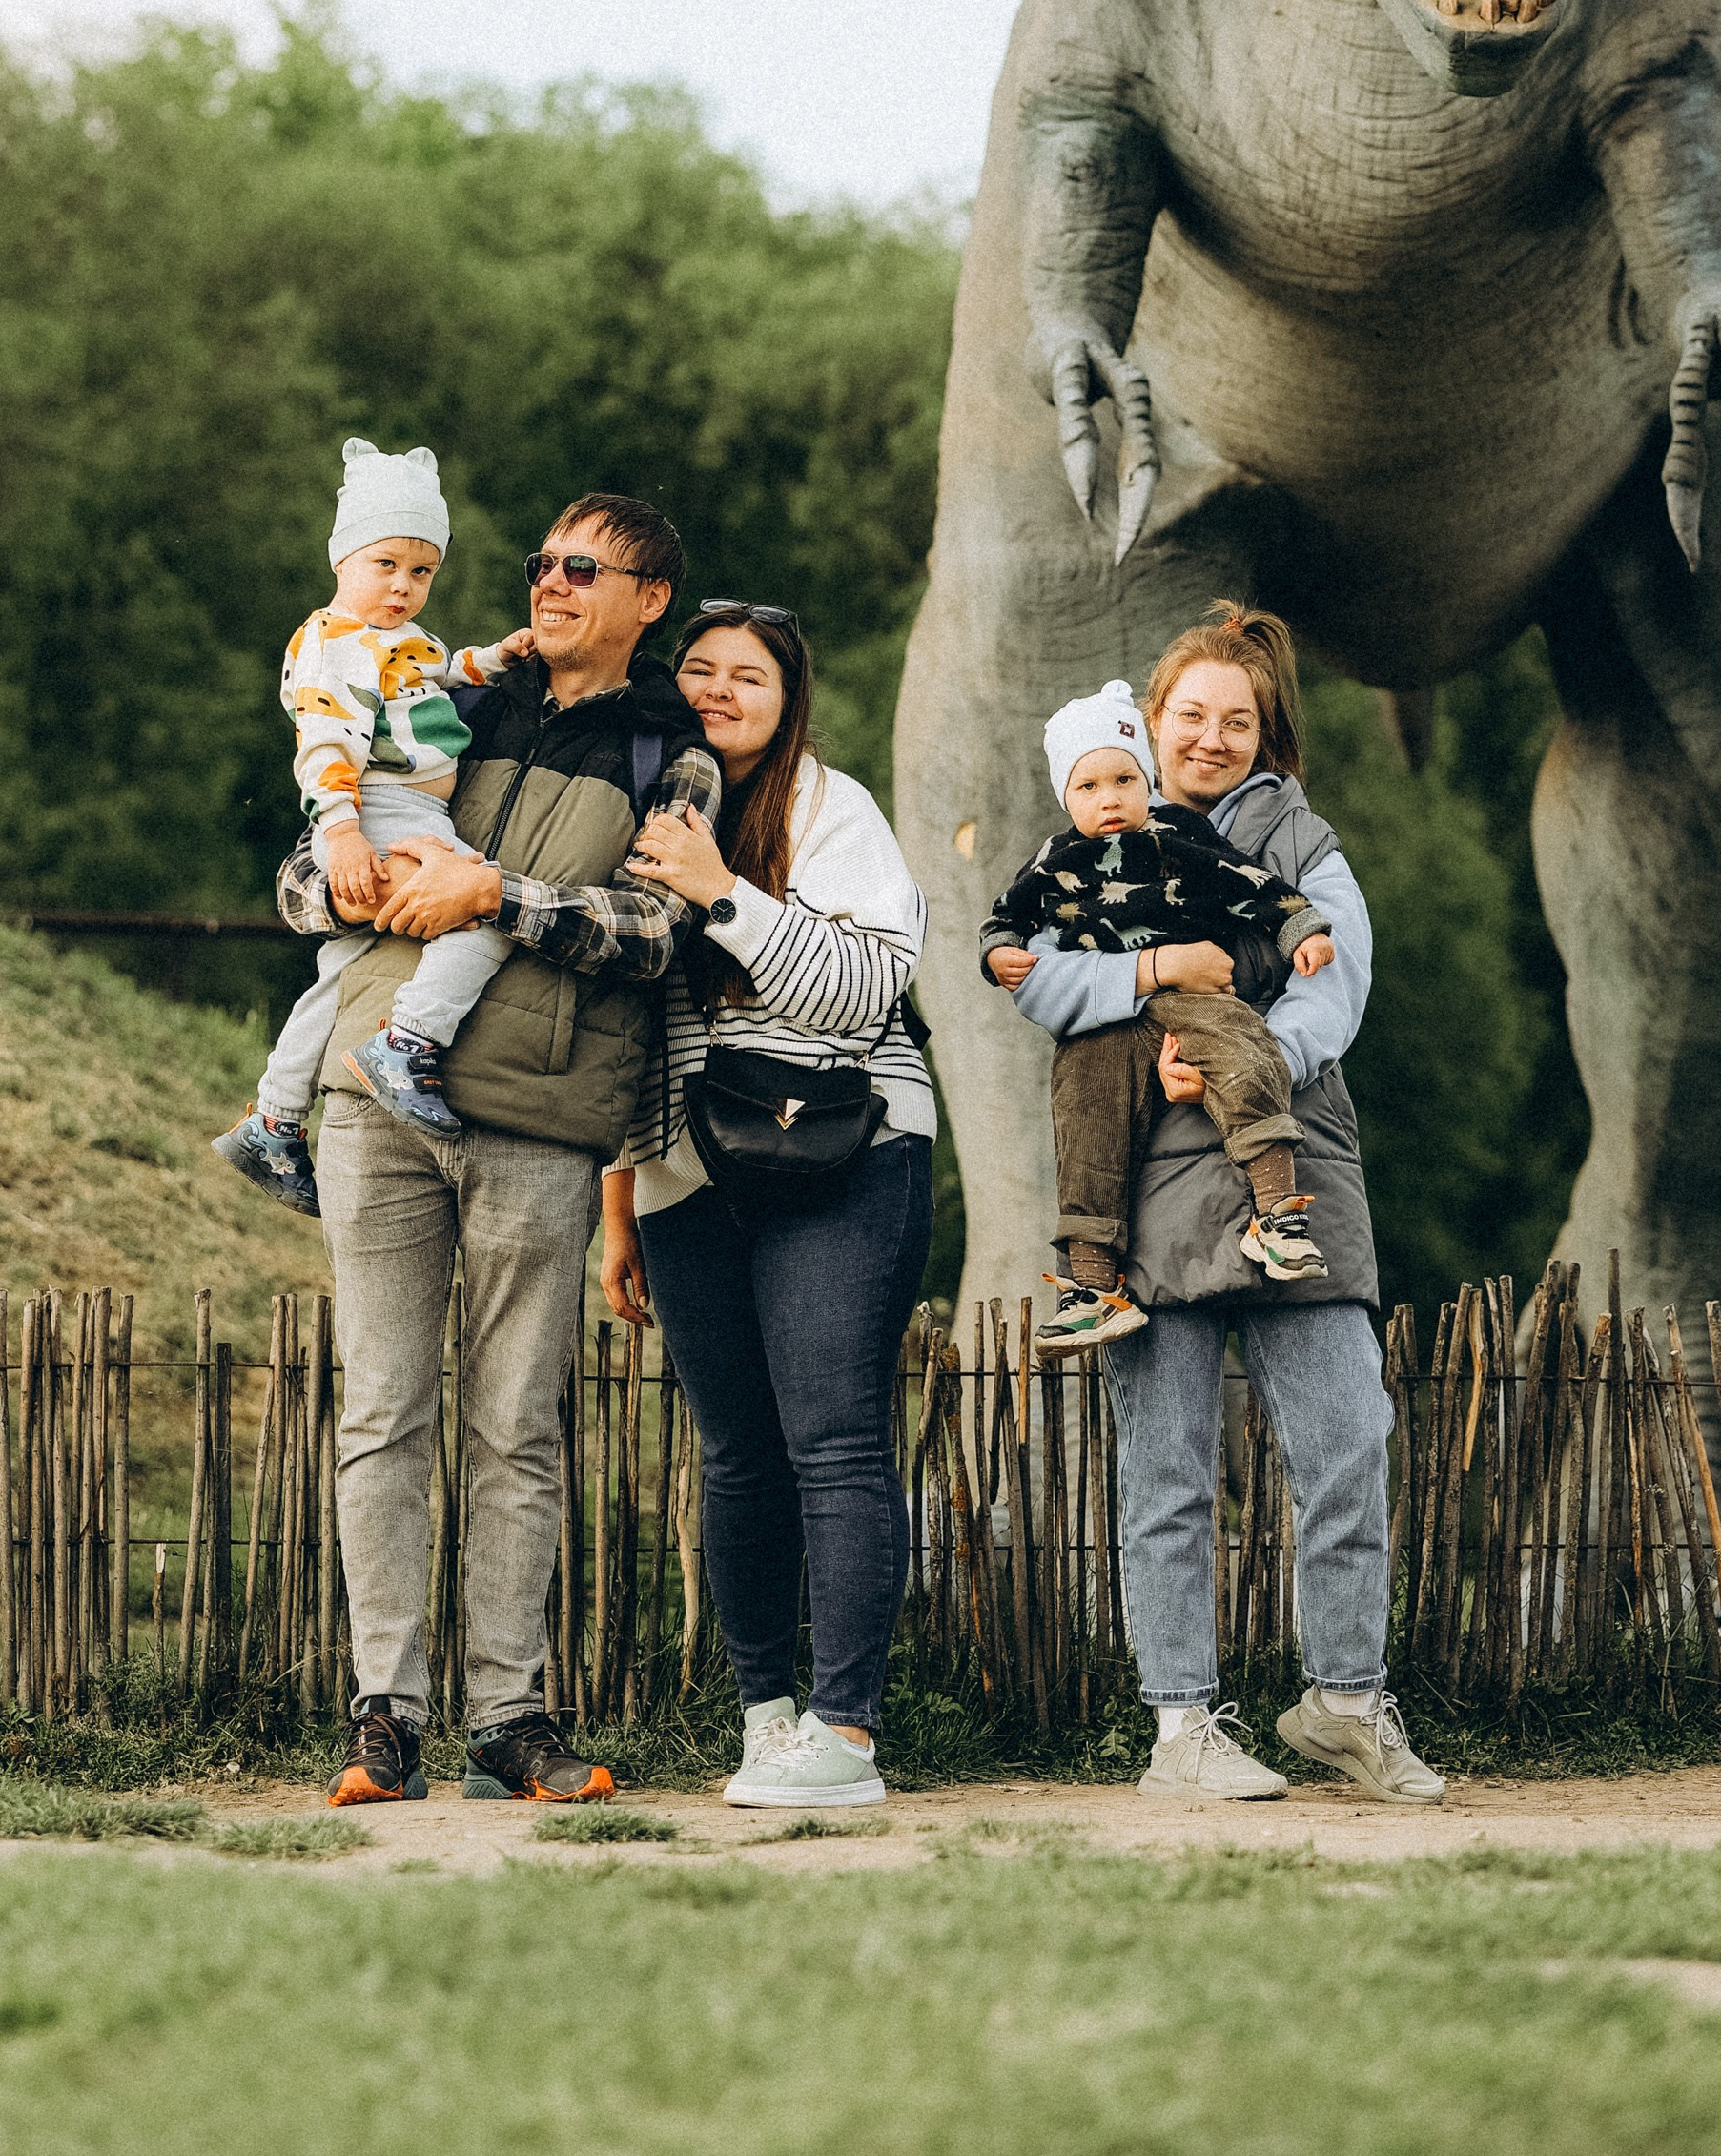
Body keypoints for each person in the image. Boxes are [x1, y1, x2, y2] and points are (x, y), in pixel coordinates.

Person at [275, 491, 720, 1810]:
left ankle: (508, 1720)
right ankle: (383, 1721)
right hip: (373, 1097)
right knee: (382, 1410)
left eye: (586, 567)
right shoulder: (439, 697)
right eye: (541, 561)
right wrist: (338, 879)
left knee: (518, 1427)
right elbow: (298, 873)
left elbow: (657, 934)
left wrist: (498, 899)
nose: (551, 582)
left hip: (541, 1115)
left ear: (648, 601)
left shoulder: (669, 748)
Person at [998, 601, 1444, 1809]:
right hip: (1144, 1177)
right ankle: (1181, 1727)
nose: (1208, 737)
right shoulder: (1091, 841)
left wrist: (1247, 1061)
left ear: (1265, 731)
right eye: (1188, 715)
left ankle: (1346, 1704)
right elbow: (1038, 985)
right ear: (1150, 724)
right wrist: (1148, 975)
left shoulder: (1304, 842)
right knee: (1167, 1470)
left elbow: (1336, 985)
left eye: (1233, 718)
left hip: (1287, 1159)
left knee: (1350, 1439)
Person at [598, 602, 930, 1813]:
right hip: (686, 1170)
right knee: (735, 1454)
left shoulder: (830, 810)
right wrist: (620, 1205)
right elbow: (626, 1035)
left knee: (833, 1438)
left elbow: (866, 986)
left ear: (789, 700)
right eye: (700, 670)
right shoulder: (630, 807)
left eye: (751, 675)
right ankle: (767, 1718)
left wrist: (722, 891)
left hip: (844, 1152)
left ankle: (845, 1734)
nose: (722, 690)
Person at [215, 438, 537, 1217]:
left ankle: (273, 1116)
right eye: (384, 564)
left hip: (404, 809)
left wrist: (489, 660)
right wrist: (343, 833)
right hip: (379, 809)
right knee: (485, 912)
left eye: (421, 571)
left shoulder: (392, 641)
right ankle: (408, 1042)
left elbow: (432, 673)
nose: (402, 586)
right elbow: (324, 742)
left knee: (341, 973)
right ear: (342, 559)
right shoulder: (334, 643)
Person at [980, 676, 1335, 1348]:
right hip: (1106, 1018)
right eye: (1088, 788)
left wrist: (1302, 932)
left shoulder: (1178, 836)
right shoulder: (1054, 861)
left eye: (1122, 780)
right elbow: (1007, 918)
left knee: (1246, 1048)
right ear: (1065, 797)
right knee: (1084, 1116)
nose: (1109, 799)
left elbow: (1252, 884)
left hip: (1195, 996)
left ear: (1145, 779)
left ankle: (1277, 1218)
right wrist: (998, 953)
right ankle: (1093, 1286)